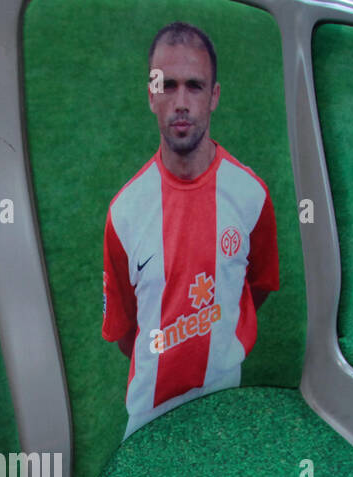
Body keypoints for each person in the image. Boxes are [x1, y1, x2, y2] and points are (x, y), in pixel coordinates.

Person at [102, 22, 279, 439]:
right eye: (168, 85)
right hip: (148, 417)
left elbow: (258, 288)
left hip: (224, 401)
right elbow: (126, 331)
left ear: (214, 96)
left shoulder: (251, 195)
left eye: (195, 86)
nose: (181, 102)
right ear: (151, 95)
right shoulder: (124, 213)